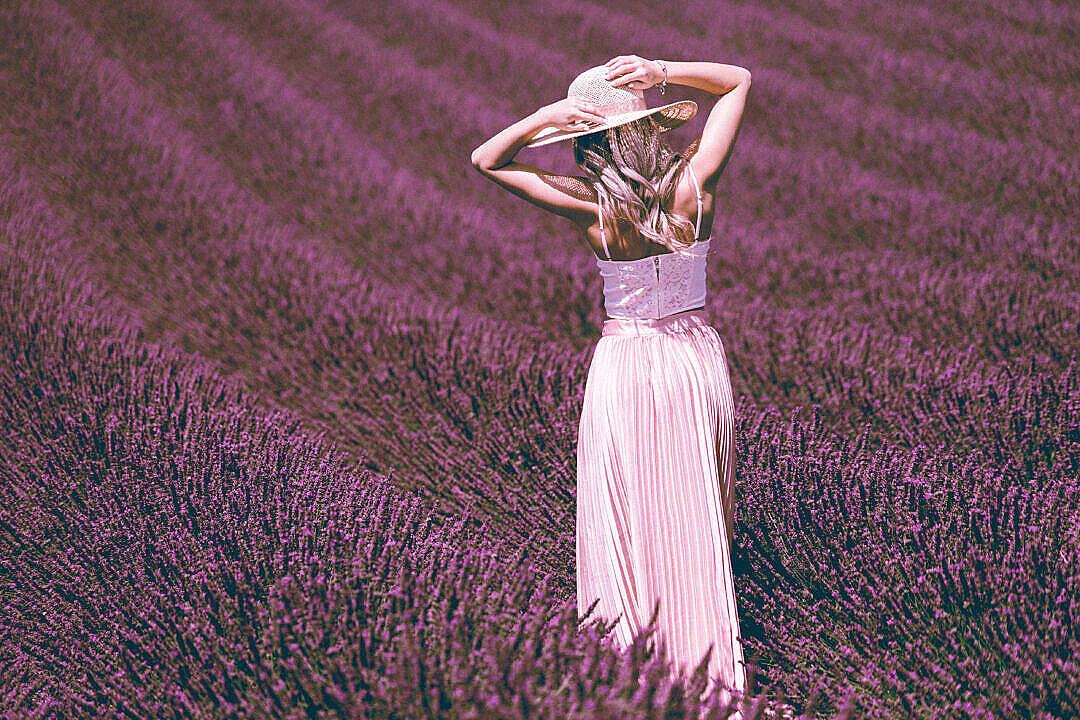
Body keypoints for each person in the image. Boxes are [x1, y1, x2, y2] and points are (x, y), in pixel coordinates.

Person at [472, 56, 759, 718]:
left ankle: (636, 673)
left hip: (625, 367)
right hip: (692, 362)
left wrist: (541, 121)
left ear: (590, 144)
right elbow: (740, 79)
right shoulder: (695, 182)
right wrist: (663, 68)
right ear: (652, 133)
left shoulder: (591, 206)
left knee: (626, 510)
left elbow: (486, 162)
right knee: (697, 509)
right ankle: (709, 669)